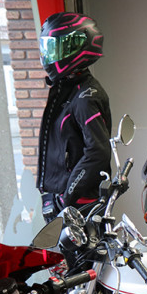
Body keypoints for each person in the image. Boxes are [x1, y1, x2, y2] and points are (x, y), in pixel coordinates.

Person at [35, 12, 111, 219]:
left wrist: (64, 198)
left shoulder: (86, 95)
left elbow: (98, 152)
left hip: (78, 205)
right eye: (47, 48)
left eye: (54, 48)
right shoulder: (69, 89)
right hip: (64, 202)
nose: (48, 56)